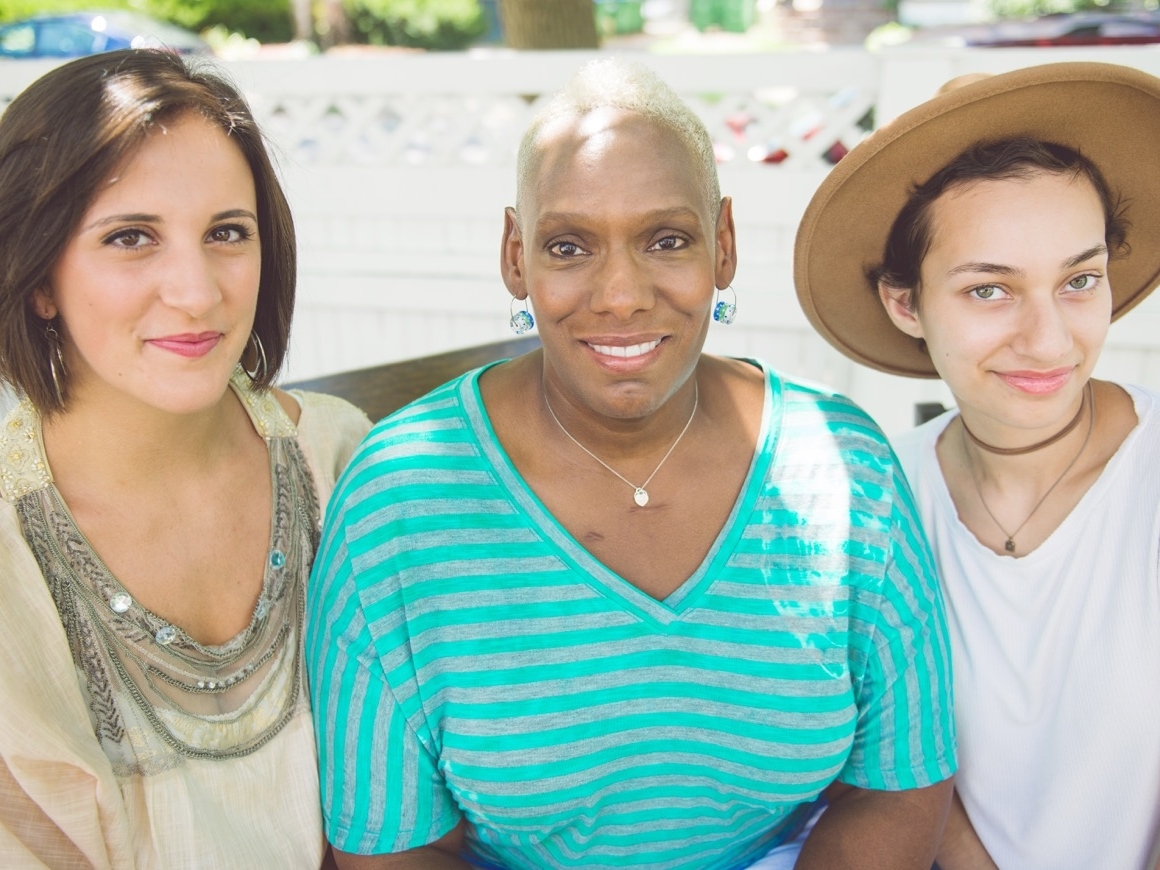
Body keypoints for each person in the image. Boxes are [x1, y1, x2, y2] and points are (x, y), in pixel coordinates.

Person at [307, 57, 955, 870]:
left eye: (667, 239)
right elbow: (390, 849)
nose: (620, 295)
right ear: (516, 256)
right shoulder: (399, 504)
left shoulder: (842, 467)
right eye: (570, 245)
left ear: (722, 245)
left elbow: (899, 784)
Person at [0, 50, 371, 868]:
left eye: (226, 233)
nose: (197, 292)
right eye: (131, 237)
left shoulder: (341, 461)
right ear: (38, 280)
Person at [794, 61, 1160, 869]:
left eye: (1079, 280)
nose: (1048, 339)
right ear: (905, 304)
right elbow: (892, 771)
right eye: (990, 290)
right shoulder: (877, 501)